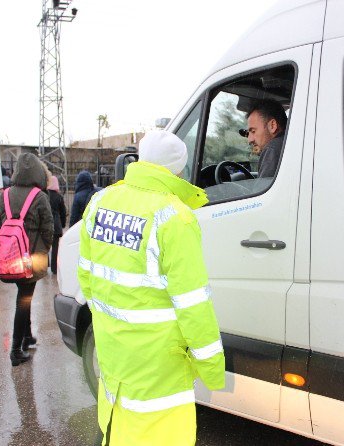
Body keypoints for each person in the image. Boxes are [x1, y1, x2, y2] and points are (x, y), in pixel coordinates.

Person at [78, 130, 225, 446]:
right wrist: (212, 368)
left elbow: (88, 280)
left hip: (114, 350)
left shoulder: (100, 201)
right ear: (177, 170)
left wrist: (112, 323)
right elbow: (193, 304)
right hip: (159, 365)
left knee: (119, 429)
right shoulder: (175, 217)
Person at [0, 153, 53, 366]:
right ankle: (16, 350)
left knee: (23, 296)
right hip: (32, 258)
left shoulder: (5, 195)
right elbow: (48, 228)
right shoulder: (39, 197)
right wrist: (43, 249)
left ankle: (27, 337)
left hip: (10, 257)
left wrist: (12, 246)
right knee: (24, 300)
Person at [245, 99, 288, 178]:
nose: (250, 140)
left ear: (272, 125)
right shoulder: (289, 145)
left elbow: (261, 190)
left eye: (253, 131)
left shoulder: (273, 149)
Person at [47, 174, 67, 274]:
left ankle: (44, 265)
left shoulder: (44, 195)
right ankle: (54, 268)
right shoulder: (59, 197)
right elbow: (63, 212)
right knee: (55, 248)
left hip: (46, 224)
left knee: (44, 246)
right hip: (56, 225)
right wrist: (62, 224)